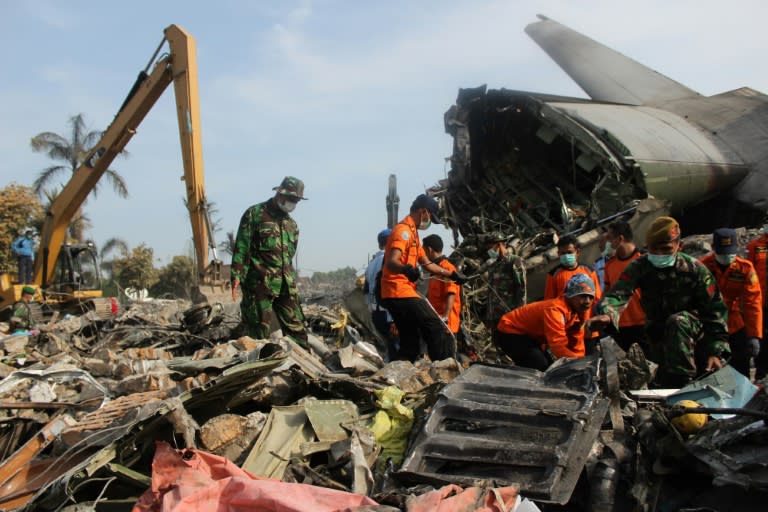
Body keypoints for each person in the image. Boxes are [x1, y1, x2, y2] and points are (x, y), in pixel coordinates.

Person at [590, 216, 730, 388]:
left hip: (693, 332)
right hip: (658, 334)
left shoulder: (695, 270)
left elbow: (715, 311)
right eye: (654, 249)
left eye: (665, 249)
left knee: (678, 322)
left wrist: (715, 351)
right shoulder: (640, 266)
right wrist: (608, 314)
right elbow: (619, 293)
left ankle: (683, 381)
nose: (659, 255)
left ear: (680, 246)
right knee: (659, 383)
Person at [379, 194, 468, 362]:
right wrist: (406, 269)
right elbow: (391, 262)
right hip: (398, 291)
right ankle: (443, 367)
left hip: (397, 293)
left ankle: (402, 371)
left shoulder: (413, 234)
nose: (429, 222)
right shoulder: (403, 232)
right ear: (424, 212)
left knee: (410, 340)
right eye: (430, 218)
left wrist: (452, 275)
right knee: (436, 326)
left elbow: (428, 264)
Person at [231, 176, 309, 346]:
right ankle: (258, 368)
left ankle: (302, 366)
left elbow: (289, 255)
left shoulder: (292, 225)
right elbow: (242, 246)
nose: (292, 203)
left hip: (285, 284)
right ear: (280, 194)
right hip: (259, 283)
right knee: (258, 330)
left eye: (296, 200)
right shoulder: (255, 214)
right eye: (290, 199)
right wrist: (236, 275)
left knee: (297, 328)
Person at [494, 274, 596, 371]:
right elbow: (558, 345)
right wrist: (577, 364)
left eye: (591, 297)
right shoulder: (555, 310)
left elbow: (576, 339)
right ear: (570, 296)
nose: (587, 301)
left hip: (531, 336)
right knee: (541, 368)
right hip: (510, 331)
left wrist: (581, 361)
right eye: (582, 296)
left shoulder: (579, 311)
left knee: (550, 367)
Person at [700, 228, 762, 378]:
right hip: (707, 324)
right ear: (714, 248)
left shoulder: (744, 269)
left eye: (730, 253)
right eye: (722, 253)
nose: (726, 257)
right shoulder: (703, 267)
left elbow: (752, 302)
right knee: (707, 371)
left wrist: (754, 335)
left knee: (741, 371)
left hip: (734, 323)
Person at [603, 220, 648, 352]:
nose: (608, 244)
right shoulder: (609, 265)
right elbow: (607, 293)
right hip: (621, 327)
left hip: (645, 324)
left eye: (610, 239)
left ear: (620, 239)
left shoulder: (644, 259)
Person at [364, 228, 399, 359]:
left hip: (376, 314)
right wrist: (394, 318)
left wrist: (373, 310)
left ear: (380, 244)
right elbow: (392, 288)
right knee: (397, 348)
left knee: (390, 346)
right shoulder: (391, 261)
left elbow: (366, 291)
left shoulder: (371, 264)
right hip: (390, 314)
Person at [483, 232, 527, 331]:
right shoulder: (493, 266)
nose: (489, 251)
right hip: (495, 318)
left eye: (490, 248)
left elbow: (521, 289)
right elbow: (491, 292)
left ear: (499, 245)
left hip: (510, 315)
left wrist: (520, 314)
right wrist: (489, 318)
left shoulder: (515, 261)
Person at [422, 234, 461, 336]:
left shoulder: (447, 269)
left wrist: (445, 318)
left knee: (446, 352)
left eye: (424, 251)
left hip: (446, 326)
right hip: (437, 322)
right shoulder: (435, 270)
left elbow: (451, 294)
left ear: (429, 250)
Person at [544, 235, 602, 300]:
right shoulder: (553, 274)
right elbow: (549, 300)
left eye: (569, 252)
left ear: (577, 252)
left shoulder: (589, 270)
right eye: (563, 253)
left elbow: (597, 296)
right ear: (558, 254)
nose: (566, 256)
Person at [745, 223, 768, 379]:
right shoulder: (756, 246)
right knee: (762, 343)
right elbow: (749, 275)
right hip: (761, 303)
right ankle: (761, 375)